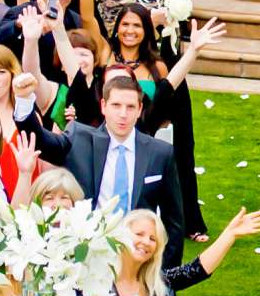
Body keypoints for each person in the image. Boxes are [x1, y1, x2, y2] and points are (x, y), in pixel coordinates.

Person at [63, 76, 187, 268]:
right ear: (103, 106)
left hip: (138, 258)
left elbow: (174, 220)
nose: (123, 114)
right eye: (116, 105)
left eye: (130, 107)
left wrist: (165, 275)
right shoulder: (81, 141)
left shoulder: (161, 153)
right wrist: (24, 102)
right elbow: (42, 140)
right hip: (89, 256)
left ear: (139, 109)